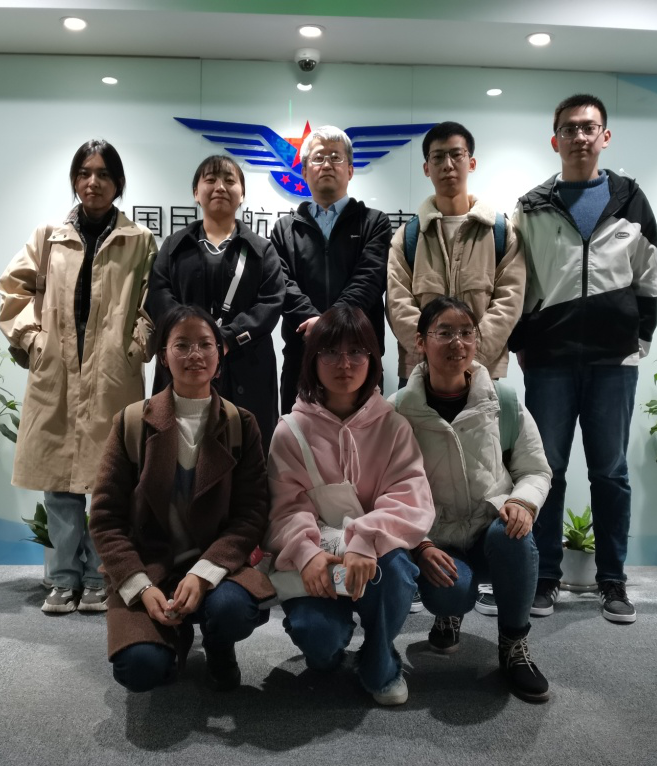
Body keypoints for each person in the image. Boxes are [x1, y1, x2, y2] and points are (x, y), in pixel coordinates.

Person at [510, 94, 657, 623]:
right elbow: (517, 282)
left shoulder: (631, 200)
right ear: (555, 139)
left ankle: (612, 580)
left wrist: (638, 339)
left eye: (589, 127)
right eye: (569, 128)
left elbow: (650, 276)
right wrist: (522, 344)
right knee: (544, 471)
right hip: (548, 360)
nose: (579, 136)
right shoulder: (530, 206)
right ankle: (545, 577)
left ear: (605, 136)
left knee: (610, 472)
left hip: (612, 361)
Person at [0, 139, 157, 614]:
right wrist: (32, 339)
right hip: (59, 371)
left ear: (118, 183)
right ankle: (63, 579)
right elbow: (11, 291)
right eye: (85, 173)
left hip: (112, 374)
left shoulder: (139, 240)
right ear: (74, 180)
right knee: (61, 483)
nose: (93, 182)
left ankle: (98, 576)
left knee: (107, 482)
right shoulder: (49, 236)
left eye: (104, 174)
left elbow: (154, 303)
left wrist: (136, 347)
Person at [89, 305, 274, 693]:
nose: (195, 355)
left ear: (220, 354)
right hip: (148, 567)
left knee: (231, 612)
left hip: (217, 565)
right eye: (182, 345)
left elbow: (252, 514)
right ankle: (174, 638)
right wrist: (140, 586)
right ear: (163, 356)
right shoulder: (132, 422)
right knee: (139, 669)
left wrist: (204, 572)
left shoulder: (240, 423)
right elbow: (105, 518)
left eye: (206, 344)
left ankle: (218, 644)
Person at [265, 305, 434, 706]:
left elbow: (408, 496)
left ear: (373, 358)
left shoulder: (393, 426)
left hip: (372, 557)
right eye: (330, 352)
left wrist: (364, 539)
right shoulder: (290, 431)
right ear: (313, 359)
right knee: (319, 644)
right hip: (318, 556)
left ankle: (380, 659)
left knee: (397, 569)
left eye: (357, 351)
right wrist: (305, 553)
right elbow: (285, 508)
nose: (344, 364)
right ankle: (330, 648)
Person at [392, 296, 552, 702]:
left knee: (514, 536)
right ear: (420, 342)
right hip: (437, 539)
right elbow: (385, 489)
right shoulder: (397, 411)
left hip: (489, 528)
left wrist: (523, 502)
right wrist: (420, 544)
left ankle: (513, 644)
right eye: (444, 332)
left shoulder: (503, 401)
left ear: (477, 341)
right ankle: (449, 615)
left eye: (466, 333)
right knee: (451, 593)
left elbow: (535, 469)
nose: (457, 343)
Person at [146, 154, 284, 452]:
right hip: (184, 361)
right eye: (210, 180)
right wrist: (192, 338)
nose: (220, 187)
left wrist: (228, 338)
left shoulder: (262, 250)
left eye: (229, 180)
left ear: (242, 194)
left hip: (246, 364)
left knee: (246, 452)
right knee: (176, 453)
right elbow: (158, 294)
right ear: (196, 192)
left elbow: (271, 302)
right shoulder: (173, 246)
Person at [387, 122, 525, 387]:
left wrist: (468, 355)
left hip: (483, 372)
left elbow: (509, 301)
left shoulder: (500, 232)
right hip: (420, 374)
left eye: (456, 155)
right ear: (426, 168)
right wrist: (434, 355)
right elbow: (398, 305)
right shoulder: (408, 236)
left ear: (471, 163)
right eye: (438, 157)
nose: (447, 165)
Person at [270, 126, 392, 415]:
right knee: (298, 439)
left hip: (359, 358)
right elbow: (283, 285)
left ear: (350, 170)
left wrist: (325, 326)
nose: (326, 164)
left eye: (335, 157)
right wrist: (315, 325)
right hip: (301, 355)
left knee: (363, 438)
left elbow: (368, 281)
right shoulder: (284, 229)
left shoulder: (374, 223)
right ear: (304, 171)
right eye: (318, 158)